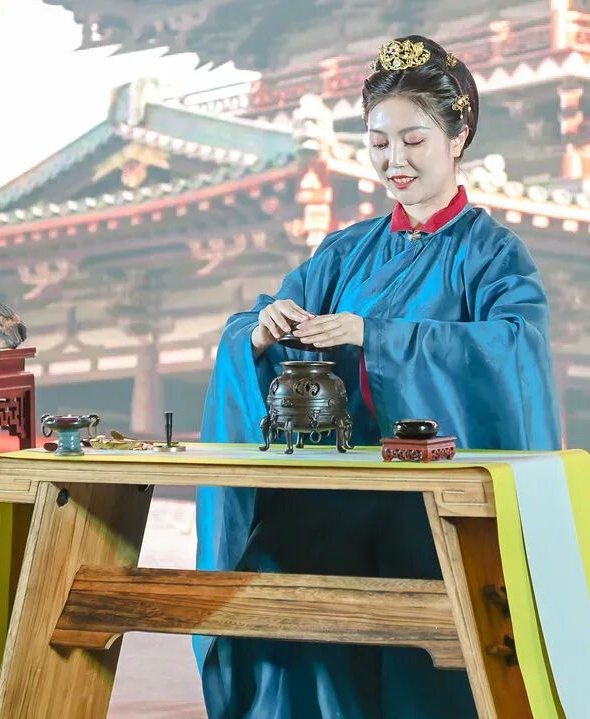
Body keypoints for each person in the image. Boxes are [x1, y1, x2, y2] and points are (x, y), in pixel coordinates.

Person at [195, 34, 562, 719]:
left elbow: (515, 352)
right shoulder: (344, 252)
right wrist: (261, 332)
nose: (395, 161)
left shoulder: (492, 256)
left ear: (459, 136)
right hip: (335, 497)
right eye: (379, 143)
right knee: (269, 570)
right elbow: (257, 332)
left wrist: (378, 338)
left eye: (414, 141)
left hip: (432, 508)